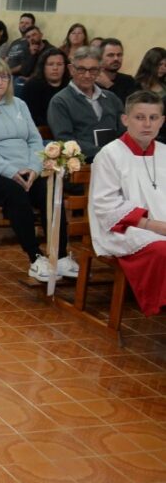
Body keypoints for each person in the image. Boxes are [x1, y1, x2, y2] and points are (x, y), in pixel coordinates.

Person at [0, 57, 75, 282]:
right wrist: (9, 170)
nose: (0, 81)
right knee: (15, 193)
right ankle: (35, 257)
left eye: (4, 76)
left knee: (50, 191)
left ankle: (59, 256)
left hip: (25, 170)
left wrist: (34, 168)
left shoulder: (19, 104)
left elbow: (34, 140)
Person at [88, 90, 166, 316]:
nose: (147, 124)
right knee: (162, 251)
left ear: (162, 121)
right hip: (125, 228)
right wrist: (156, 226)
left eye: (153, 118)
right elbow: (106, 206)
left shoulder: (164, 152)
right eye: (139, 117)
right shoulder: (110, 154)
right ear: (125, 119)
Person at [47, 46, 125, 162]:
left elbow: (124, 131)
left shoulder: (111, 98)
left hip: (117, 159)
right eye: (81, 70)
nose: (88, 75)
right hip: (83, 163)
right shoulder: (60, 101)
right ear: (71, 69)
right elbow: (65, 140)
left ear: (100, 71)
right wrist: (102, 153)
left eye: (93, 70)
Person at [21, 47, 69, 127]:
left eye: (59, 64)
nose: (55, 68)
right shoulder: (32, 86)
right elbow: (31, 117)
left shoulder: (71, 85)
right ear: (43, 66)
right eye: (50, 64)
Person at [96, 38, 137, 102]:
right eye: (111, 55)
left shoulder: (129, 81)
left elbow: (130, 106)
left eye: (119, 55)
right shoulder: (91, 81)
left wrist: (109, 85)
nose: (116, 58)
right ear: (100, 58)